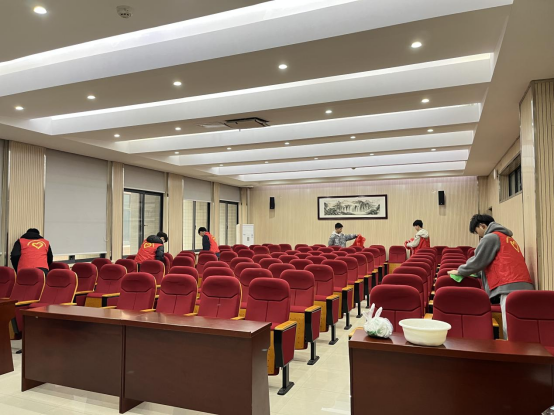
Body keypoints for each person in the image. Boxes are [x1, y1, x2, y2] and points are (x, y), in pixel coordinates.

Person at [448, 215, 535, 339]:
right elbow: (494, 262)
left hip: (508, 284)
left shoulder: (491, 237)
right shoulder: (508, 238)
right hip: (524, 284)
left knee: (510, 328)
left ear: (482, 226)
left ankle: (511, 350)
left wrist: (460, 271)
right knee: (522, 327)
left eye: (478, 232)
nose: (479, 236)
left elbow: (478, 260)